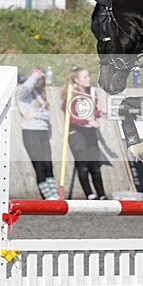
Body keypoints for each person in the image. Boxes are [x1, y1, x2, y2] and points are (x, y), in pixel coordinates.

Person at [62, 66, 107, 200]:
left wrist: (102, 113)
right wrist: (88, 121)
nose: (88, 79)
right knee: (83, 165)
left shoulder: (91, 92)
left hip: (89, 132)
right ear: (77, 80)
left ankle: (102, 195)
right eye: (85, 77)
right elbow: (71, 117)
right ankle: (89, 194)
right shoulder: (71, 94)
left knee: (95, 166)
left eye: (88, 76)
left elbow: (92, 110)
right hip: (76, 133)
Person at [18, 66, 60, 200]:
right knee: (39, 165)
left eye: (41, 79)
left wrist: (35, 115)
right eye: (36, 77)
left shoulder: (41, 96)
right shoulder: (23, 94)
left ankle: (54, 193)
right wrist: (35, 75)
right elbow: (26, 86)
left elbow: (48, 115)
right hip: (30, 132)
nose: (38, 81)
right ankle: (47, 196)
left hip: (42, 132)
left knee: (48, 164)